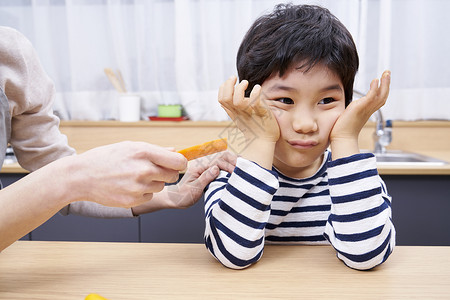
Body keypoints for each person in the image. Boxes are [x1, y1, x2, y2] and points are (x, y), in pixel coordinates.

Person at [0, 26, 236, 252]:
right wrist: (75, 175)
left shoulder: (12, 52)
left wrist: (171, 195)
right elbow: (63, 181)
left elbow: (65, 189)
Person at [203, 4, 395, 270]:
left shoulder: (353, 177)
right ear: (250, 103)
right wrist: (260, 139)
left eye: (327, 100)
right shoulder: (230, 173)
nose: (306, 124)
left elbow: (367, 255)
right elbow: (233, 255)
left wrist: (346, 138)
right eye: (284, 100)